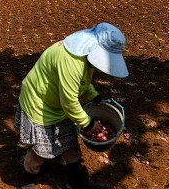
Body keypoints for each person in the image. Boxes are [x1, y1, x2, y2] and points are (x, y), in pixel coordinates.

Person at [14, 22, 129, 189]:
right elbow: (69, 102)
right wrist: (89, 124)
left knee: (70, 145)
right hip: (39, 104)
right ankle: (27, 179)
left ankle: (77, 182)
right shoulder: (71, 61)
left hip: (58, 103)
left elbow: (81, 82)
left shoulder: (85, 58)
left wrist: (94, 95)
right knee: (40, 151)